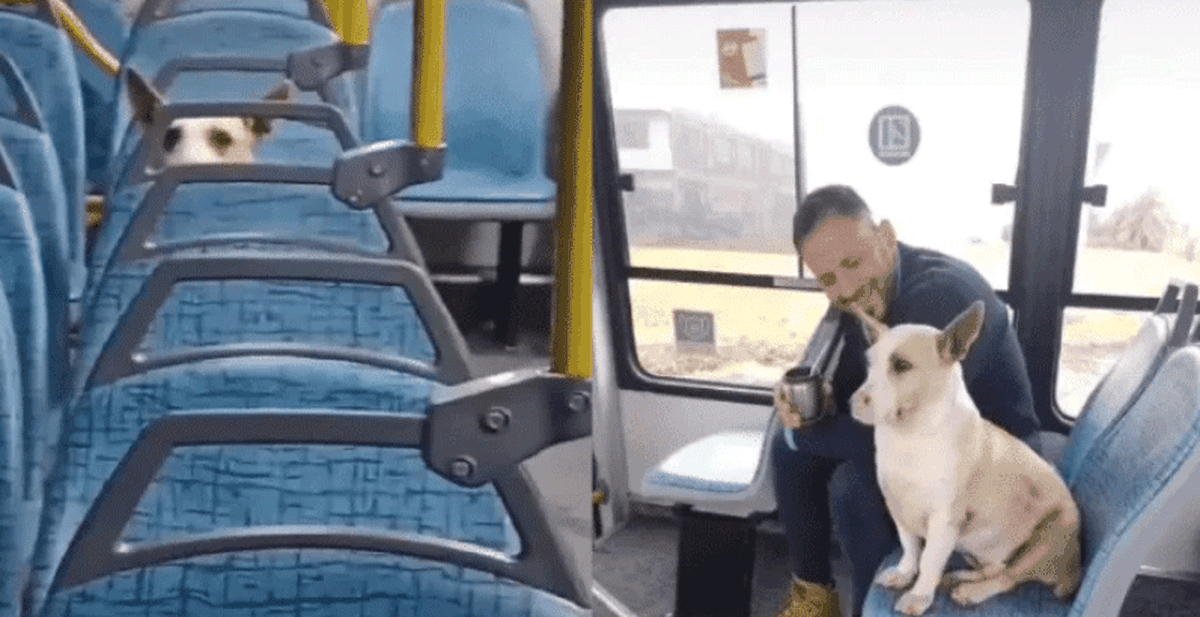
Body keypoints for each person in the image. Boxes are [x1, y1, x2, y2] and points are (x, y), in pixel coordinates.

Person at [770, 185, 1041, 617]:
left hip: (994, 465)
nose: (846, 288)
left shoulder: (937, 297)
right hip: (932, 442)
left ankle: (869, 607)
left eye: (853, 263)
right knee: (787, 449)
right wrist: (809, 401)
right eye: (827, 279)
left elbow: (898, 435)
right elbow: (855, 383)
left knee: (852, 488)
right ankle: (815, 597)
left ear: (887, 238)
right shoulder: (866, 294)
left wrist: (806, 431)